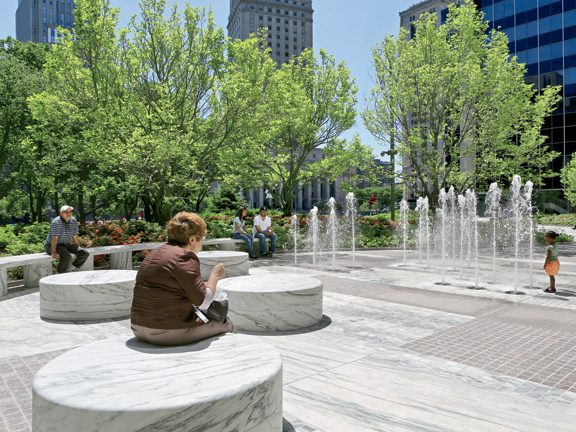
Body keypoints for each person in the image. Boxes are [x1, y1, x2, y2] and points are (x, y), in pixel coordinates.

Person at [131, 212, 235, 345]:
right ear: (192, 240)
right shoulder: (185, 257)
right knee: (227, 324)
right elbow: (203, 302)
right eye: (202, 237)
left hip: (137, 327)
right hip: (166, 331)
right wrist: (214, 276)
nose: (202, 241)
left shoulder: (154, 254)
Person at [44, 205, 89, 273]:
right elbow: (54, 238)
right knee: (67, 256)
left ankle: (69, 269)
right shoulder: (56, 222)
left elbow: (75, 236)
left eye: (70, 211)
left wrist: (78, 248)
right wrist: (53, 252)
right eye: (66, 212)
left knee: (84, 253)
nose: (68, 213)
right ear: (61, 213)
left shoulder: (73, 221)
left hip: (65, 244)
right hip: (51, 245)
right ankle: (60, 273)